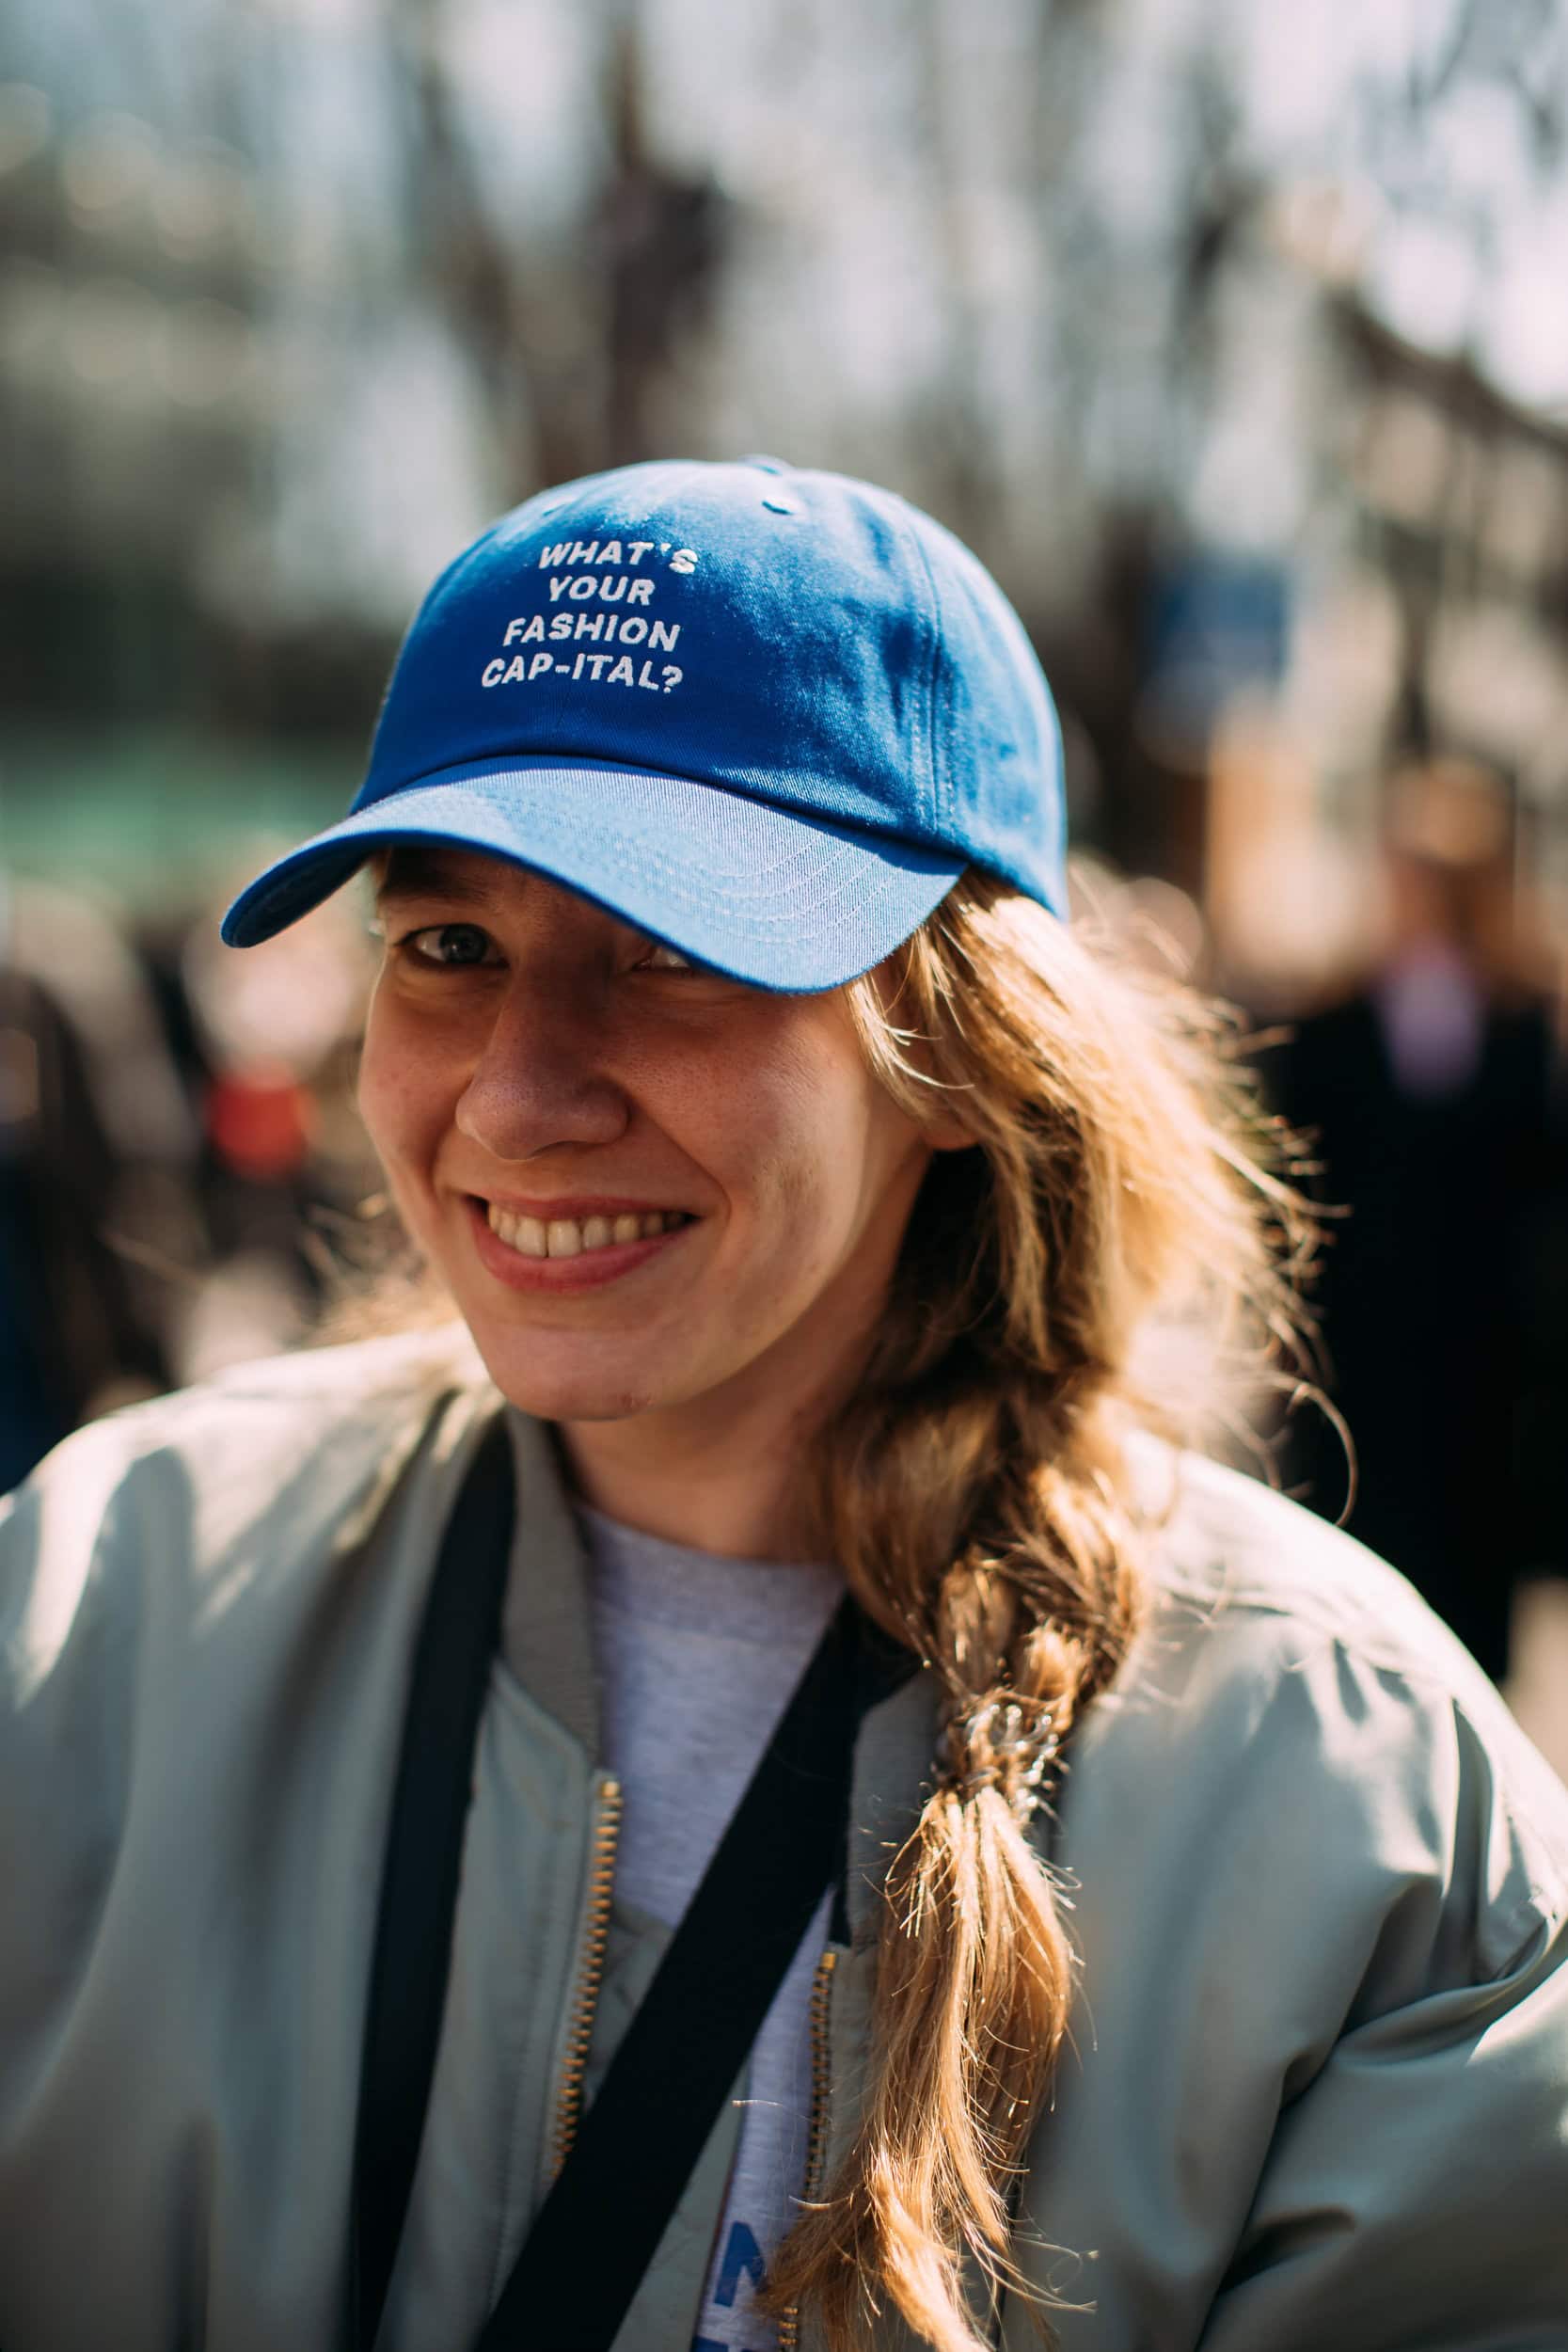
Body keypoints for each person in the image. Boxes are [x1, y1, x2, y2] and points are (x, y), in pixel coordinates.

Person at [1, 458, 1565, 2352]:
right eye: (449, 946)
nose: (518, 1089)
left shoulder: (1348, 1797)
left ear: (962, 1053)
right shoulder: (98, 1608)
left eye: (672, 951)